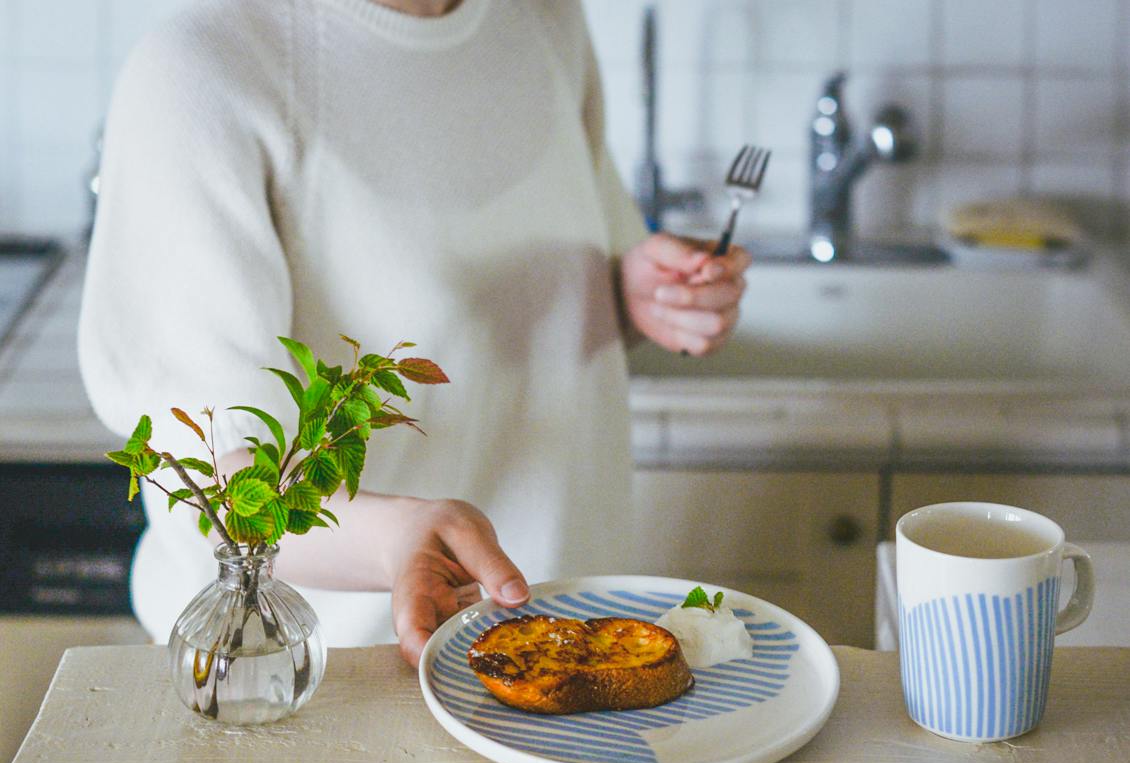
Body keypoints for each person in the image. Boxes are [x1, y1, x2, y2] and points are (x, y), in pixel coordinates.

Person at [79, 0, 750, 666]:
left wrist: (636, 295)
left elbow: (552, 299)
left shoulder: (546, 19)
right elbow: (210, 480)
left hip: (566, 643)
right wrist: (394, 540)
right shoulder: (204, 69)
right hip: (318, 678)